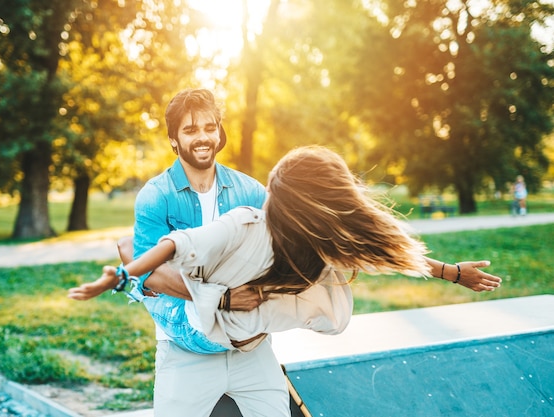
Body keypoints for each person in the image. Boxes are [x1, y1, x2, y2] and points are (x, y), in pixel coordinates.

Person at [69, 89, 502, 417]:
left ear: (219, 132)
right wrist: (219, 297)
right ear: (173, 140)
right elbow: (150, 276)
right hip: (186, 351)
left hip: (250, 350)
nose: (201, 137)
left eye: (208, 127)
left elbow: (347, 235)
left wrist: (448, 270)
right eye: (189, 130)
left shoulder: (249, 191)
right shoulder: (156, 197)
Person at [69, 145, 503, 355]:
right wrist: (452, 273)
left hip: (215, 331)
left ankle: (136, 281)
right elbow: (378, 252)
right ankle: (136, 283)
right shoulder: (274, 230)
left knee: (146, 253)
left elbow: (377, 250)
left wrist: (450, 271)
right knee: (147, 258)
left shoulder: (308, 238)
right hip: (204, 327)